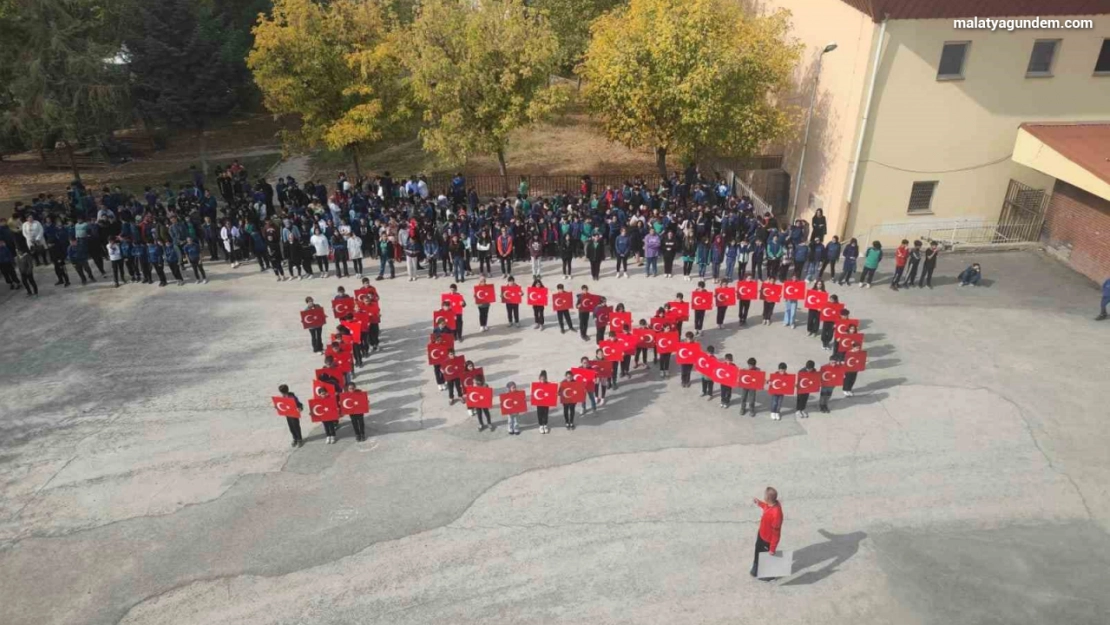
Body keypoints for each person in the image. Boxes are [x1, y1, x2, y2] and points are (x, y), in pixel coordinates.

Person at [750, 487, 784, 578]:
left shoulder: (776, 514)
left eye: (764, 495)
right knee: (757, 551)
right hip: (761, 534)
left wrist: (772, 548)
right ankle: (756, 567)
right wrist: (759, 503)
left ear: (768, 498)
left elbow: (776, 534)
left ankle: (768, 575)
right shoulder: (771, 504)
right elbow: (766, 506)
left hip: (768, 540)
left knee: (766, 556)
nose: (763, 496)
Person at [535, 370, 552, 434]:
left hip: (546, 403)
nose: (542, 380)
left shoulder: (549, 384)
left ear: (546, 379)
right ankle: (541, 425)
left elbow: (552, 392)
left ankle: (545, 425)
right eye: (541, 379)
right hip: (539, 403)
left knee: (545, 413)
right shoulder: (536, 385)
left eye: (544, 379)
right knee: (539, 414)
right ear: (539, 379)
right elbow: (534, 394)